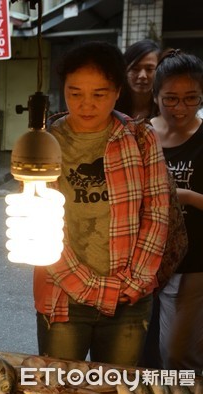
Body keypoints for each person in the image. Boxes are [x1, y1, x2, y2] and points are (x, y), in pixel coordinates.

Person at [34, 41, 170, 366]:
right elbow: (39, 228)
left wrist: (133, 283)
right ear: (63, 89)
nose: (86, 104)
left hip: (130, 298)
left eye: (99, 94)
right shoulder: (45, 141)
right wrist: (94, 289)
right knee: (60, 387)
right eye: (75, 92)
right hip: (63, 295)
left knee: (114, 386)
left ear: (117, 90)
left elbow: (157, 214)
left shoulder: (140, 137)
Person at [150, 49, 203, 373]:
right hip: (146, 260)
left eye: (191, 98)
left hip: (195, 261)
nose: (180, 108)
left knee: (179, 353)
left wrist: (184, 196)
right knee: (149, 351)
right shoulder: (142, 135)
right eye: (170, 99)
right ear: (155, 96)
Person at [116, 39, 161, 120]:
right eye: (135, 69)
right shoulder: (112, 105)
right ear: (125, 70)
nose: (142, 76)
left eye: (149, 69)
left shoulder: (164, 109)